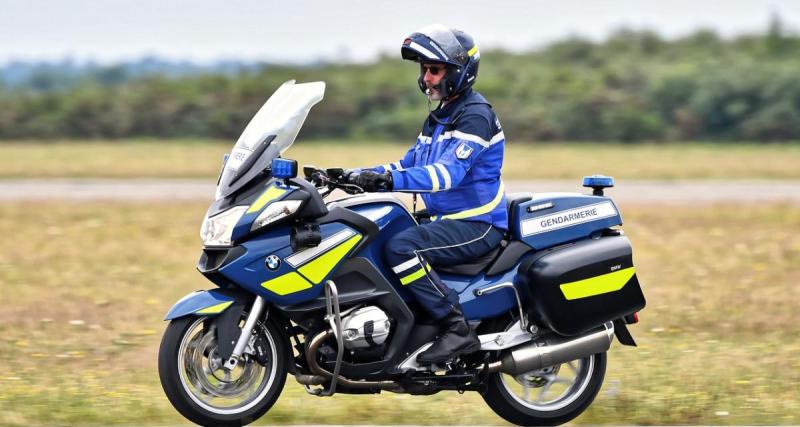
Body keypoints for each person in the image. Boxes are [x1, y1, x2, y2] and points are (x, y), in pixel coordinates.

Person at [347, 24, 507, 365]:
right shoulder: (439, 117)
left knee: (401, 247)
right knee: (377, 235)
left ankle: (455, 327)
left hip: (477, 225)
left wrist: (388, 180)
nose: (427, 79)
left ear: (460, 71)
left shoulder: (475, 116)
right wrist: (353, 175)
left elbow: (447, 175)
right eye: (424, 70)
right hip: (446, 219)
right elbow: (407, 164)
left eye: (435, 70)